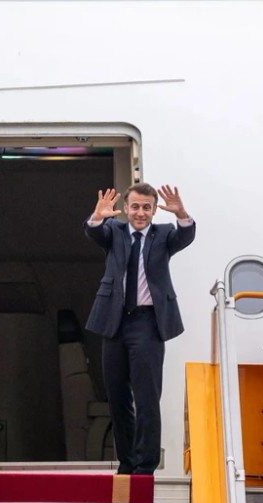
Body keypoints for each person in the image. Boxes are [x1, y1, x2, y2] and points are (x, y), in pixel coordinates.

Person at [84, 183, 196, 474]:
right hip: (115, 322)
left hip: (147, 323)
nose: (140, 213)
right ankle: (127, 462)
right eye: (135, 206)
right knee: (117, 396)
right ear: (127, 208)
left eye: (147, 207)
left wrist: (181, 212)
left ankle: (146, 465)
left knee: (147, 397)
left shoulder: (164, 235)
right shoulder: (116, 233)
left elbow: (186, 235)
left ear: (154, 208)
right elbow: (95, 232)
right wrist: (97, 216)